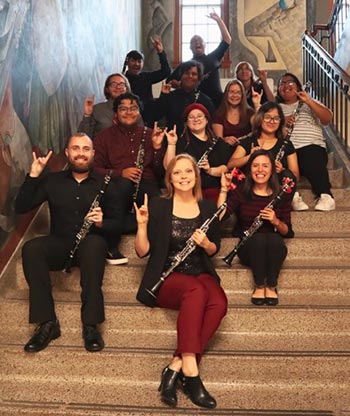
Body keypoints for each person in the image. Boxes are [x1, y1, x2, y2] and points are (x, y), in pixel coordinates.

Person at [134, 154, 227, 409]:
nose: (183, 176)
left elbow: (213, 249)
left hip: (200, 270)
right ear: (170, 178)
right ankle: (191, 373)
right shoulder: (159, 206)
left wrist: (207, 244)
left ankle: (174, 366)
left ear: (196, 176)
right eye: (177, 173)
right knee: (196, 290)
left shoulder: (208, 208)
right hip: (167, 277)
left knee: (219, 302)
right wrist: (142, 225)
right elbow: (142, 252)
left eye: (188, 171)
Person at [15, 133, 122, 353]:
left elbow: (120, 223)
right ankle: (47, 323)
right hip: (60, 243)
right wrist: (33, 176)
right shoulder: (52, 180)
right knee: (31, 248)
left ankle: (90, 325)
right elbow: (21, 207)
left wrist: (103, 223)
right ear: (67, 153)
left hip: (90, 245)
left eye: (85, 148)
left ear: (93, 153)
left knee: (94, 244)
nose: (80, 153)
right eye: (75, 148)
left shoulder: (107, 183)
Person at [218, 149, 294, 306]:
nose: (260, 170)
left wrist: (276, 221)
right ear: (249, 169)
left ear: (272, 170)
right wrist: (224, 189)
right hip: (248, 247)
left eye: (265, 166)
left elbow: (288, 232)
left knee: (273, 239)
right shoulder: (242, 192)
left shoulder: (281, 194)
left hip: (274, 248)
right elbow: (220, 216)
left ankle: (271, 285)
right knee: (258, 239)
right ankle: (260, 285)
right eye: (255, 166)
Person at [93, 92, 165, 251]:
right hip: (117, 187)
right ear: (116, 114)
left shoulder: (149, 134)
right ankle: (112, 247)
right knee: (122, 186)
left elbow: (160, 172)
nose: (128, 112)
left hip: (146, 185)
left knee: (159, 205)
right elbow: (94, 169)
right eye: (123, 109)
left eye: (133, 108)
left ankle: (155, 249)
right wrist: (120, 173)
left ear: (139, 111)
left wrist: (158, 148)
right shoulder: (103, 137)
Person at [276, 72, 335, 211]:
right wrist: (283, 122)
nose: (286, 86)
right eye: (282, 83)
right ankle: (293, 196)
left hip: (311, 143)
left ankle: (326, 195)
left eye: (290, 82)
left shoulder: (309, 102)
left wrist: (308, 101)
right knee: (280, 161)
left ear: (298, 86)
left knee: (311, 160)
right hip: (288, 147)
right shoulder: (275, 108)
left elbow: (327, 119)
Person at [163, 103, 231, 202]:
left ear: (207, 120)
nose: (196, 119)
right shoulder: (181, 142)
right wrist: (171, 144)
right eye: (191, 117)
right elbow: (168, 167)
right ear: (186, 122)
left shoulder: (218, 143)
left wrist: (209, 170)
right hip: (187, 189)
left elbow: (225, 169)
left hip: (212, 190)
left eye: (199, 116)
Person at [167, 9, 231, 108]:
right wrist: (181, 84)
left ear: (204, 45)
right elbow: (169, 82)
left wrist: (219, 21)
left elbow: (227, 40)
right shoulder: (185, 66)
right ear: (190, 47)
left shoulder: (214, 57)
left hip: (218, 103)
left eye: (200, 40)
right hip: (196, 105)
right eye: (194, 41)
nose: (197, 42)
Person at [227, 102, 299, 189]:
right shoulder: (248, 142)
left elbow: (296, 177)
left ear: (280, 122)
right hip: (249, 191)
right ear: (260, 119)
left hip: (275, 192)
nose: (272, 121)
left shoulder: (286, 145)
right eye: (267, 117)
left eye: (276, 118)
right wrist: (250, 157)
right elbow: (230, 165)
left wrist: (283, 170)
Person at [155, 60, 215, 136]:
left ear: (198, 78)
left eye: (194, 74)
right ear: (181, 76)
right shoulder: (171, 96)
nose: (190, 76)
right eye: (186, 73)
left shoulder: (206, 100)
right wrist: (163, 95)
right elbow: (156, 116)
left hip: (198, 142)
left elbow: (211, 125)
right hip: (173, 140)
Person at [123, 38, 171, 126]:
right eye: (133, 61)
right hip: (128, 117)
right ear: (127, 62)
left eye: (139, 61)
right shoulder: (122, 80)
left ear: (142, 64)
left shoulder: (146, 77)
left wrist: (161, 52)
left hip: (148, 118)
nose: (136, 64)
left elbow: (166, 72)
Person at [78, 73, 131, 139]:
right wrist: (87, 115)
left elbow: (141, 135)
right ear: (107, 89)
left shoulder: (133, 110)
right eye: (113, 84)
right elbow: (83, 137)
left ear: (126, 88)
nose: (118, 87)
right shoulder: (97, 109)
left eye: (122, 84)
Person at [212, 79, 262, 147]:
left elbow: (259, 128)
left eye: (238, 92)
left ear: (242, 95)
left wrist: (257, 105)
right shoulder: (218, 115)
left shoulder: (250, 113)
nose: (235, 95)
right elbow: (218, 142)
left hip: (247, 150)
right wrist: (224, 140)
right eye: (231, 92)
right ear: (226, 94)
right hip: (226, 150)